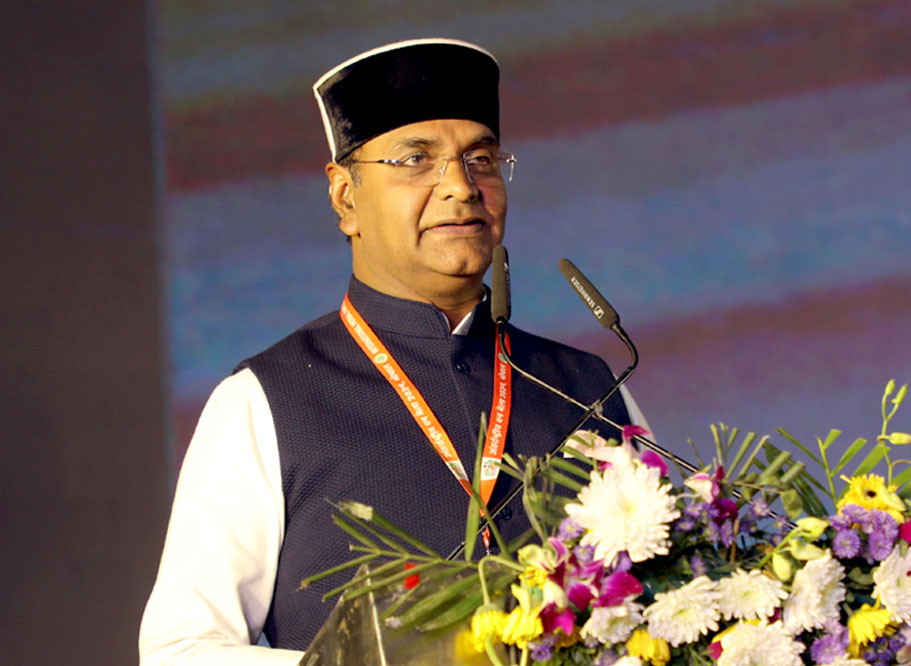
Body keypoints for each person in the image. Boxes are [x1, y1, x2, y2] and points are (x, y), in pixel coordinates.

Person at [139, 38, 646, 665]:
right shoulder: (265, 402)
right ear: (345, 197)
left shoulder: (590, 386)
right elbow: (181, 650)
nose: (460, 186)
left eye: (482, 159)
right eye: (415, 159)